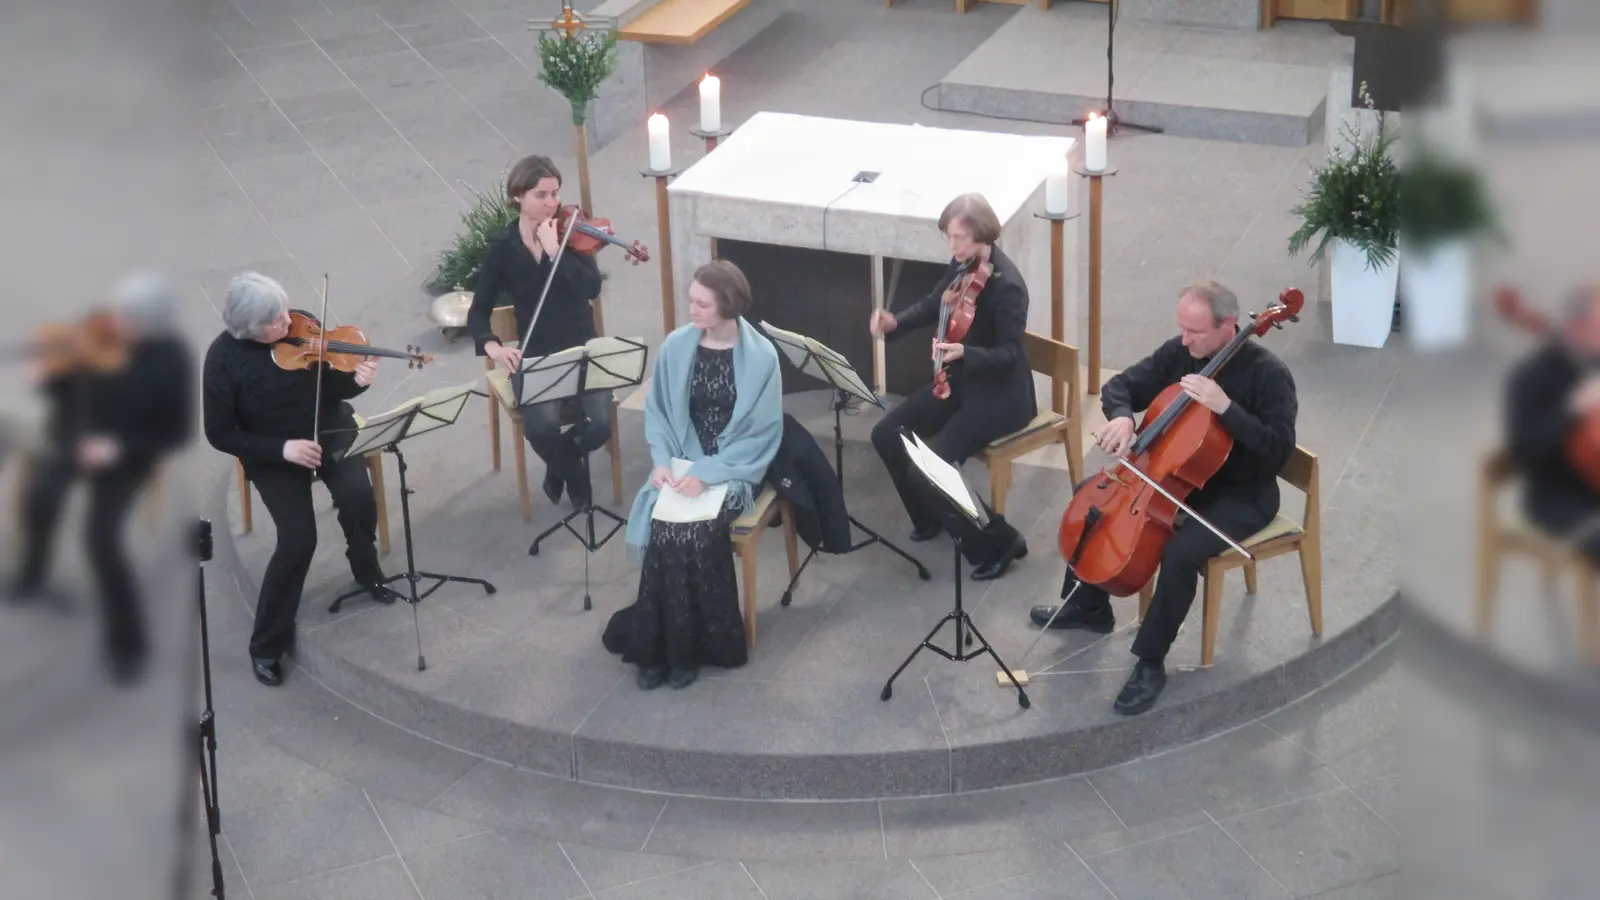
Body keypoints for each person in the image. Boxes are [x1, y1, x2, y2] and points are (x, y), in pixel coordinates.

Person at [1030, 281, 1298, 716]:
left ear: (1228, 326)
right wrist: (1121, 418)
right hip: (1172, 478)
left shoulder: (1269, 375)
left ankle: (1150, 662)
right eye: (1182, 328)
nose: (1185, 339)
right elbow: (1121, 385)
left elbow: (1278, 451)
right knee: (1092, 500)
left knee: (1180, 554)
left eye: (1195, 331)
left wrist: (1226, 408)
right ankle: (1089, 603)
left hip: (1241, 494)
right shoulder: (1181, 353)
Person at [202, 272, 390, 687]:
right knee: (298, 539)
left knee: (359, 496)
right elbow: (219, 433)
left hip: (327, 429)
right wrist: (282, 449)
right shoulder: (222, 362)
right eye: (276, 321)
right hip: (272, 452)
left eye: (285, 311)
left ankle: (366, 568)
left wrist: (356, 381)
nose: (289, 321)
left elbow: (332, 386)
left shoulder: (302, 324)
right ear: (248, 331)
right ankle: (266, 644)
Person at [602, 261, 783, 690]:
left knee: (694, 533)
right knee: (666, 528)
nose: (692, 310)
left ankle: (691, 651)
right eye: (691, 301)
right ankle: (660, 649)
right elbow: (660, 413)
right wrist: (663, 462)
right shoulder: (677, 345)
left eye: (702, 304)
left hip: (733, 468)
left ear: (727, 305)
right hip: (681, 461)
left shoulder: (762, 358)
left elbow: (762, 434)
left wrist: (708, 474)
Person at [9, 272, 194, 684]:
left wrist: (119, 449)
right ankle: (32, 577)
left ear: (151, 324)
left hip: (126, 458)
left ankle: (128, 644)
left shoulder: (170, 361)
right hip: (76, 436)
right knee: (41, 496)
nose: (114, 321)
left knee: (100, 541)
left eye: (126, 317)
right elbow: (66, 384)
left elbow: (175, 432)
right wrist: (44, 375)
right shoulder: (99, 329)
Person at [868, 192, 1035, 581]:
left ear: (982, 233)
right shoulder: (963, 264)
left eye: (959, 237)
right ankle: (932, 515)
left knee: (930, 467)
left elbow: (1011, 354)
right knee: (886, 434)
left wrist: (966, 353)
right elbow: (934, 304)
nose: (953, 245)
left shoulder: (1007, 285)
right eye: (949, 236)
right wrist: (896, 324)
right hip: (958, 382)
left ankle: (998, 541)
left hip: (998, 398)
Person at [468, 154, 609, 510]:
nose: (551, 204)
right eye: (541, 195)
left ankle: (558, 469)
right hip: (537, 354)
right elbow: (478, 312)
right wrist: (493, 348)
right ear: (518, 196)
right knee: (541, 428)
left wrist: (554, 253)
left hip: (582, 349)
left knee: (600, 425)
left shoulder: (570, 239)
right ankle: (576, 480)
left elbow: (592, 289)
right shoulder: (503, 248)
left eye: (555, 194)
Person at [1505, 284, 1600, 561]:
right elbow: (1524, 451)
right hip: (1558, 496)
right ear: (1575, 326)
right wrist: (1572, 410)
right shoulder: (1531, 378)